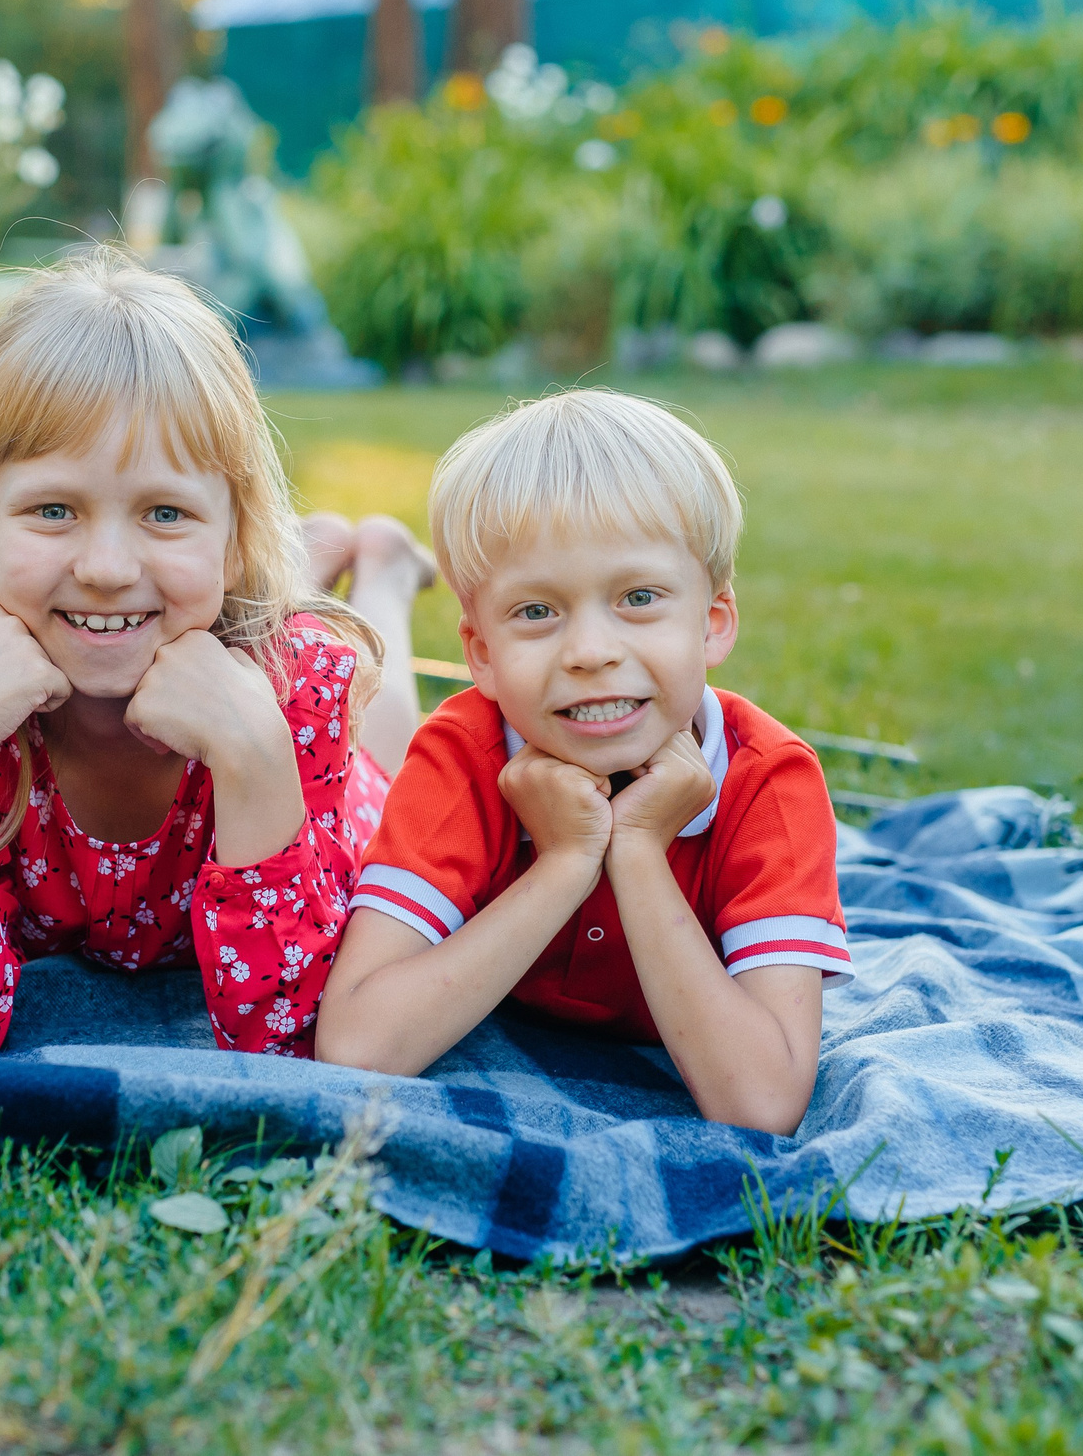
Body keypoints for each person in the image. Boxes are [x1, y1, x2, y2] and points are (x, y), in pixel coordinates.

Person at [0, 252, 434, 1057]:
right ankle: (298, 552)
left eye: (165, 511)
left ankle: (382, 567)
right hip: (199, 613)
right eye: (54, 508)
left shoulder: (298, 687)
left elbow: (289, 1035)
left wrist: (256, 757)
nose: (105, 568)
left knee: (384, 741)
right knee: (199, 603)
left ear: (236, 538)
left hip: (323, 784)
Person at [312, 388, 850, 1132]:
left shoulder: (770, 783)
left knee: (374, 737)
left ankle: (384, 570)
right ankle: (377, 580)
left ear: (714, 622)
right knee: (360, 730)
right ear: (482, 654)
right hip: (375, 787)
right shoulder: (463, 754)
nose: (591, 651)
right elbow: (356, 1047)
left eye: (637, 597)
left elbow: (760, 1103)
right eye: (537, 611)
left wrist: (636, 848)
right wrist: (565, 861)